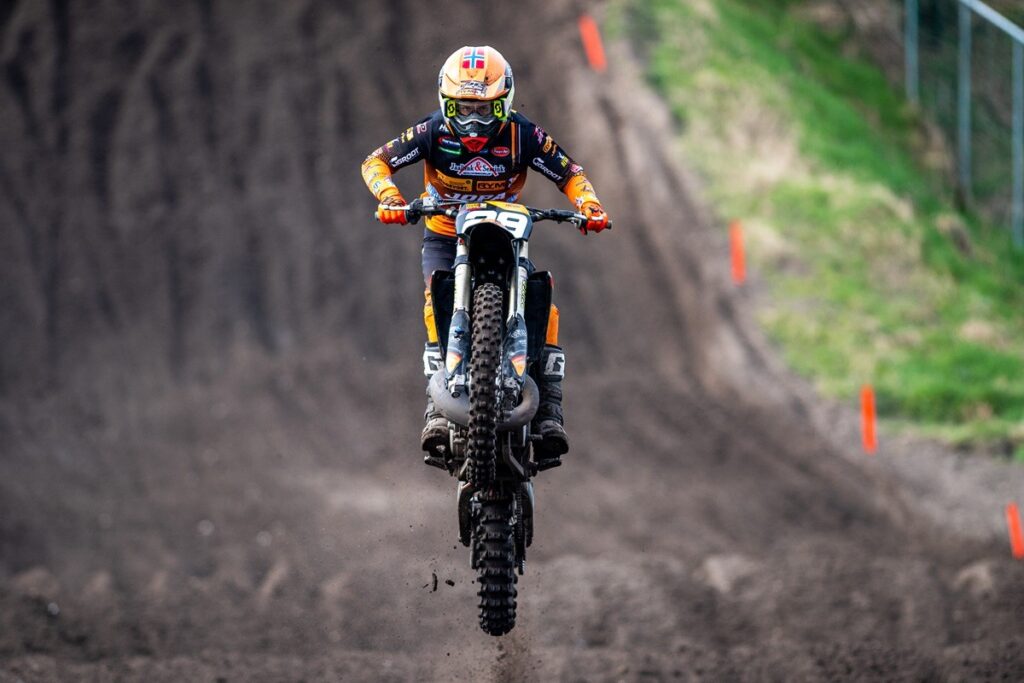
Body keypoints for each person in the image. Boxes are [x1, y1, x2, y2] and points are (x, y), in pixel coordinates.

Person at [360, 45, 610, 468]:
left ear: (504, 105)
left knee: (545, 307)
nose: (472, 121)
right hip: (446, 236)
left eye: (484, 110)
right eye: (462, 109)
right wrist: (390, 197)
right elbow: (376, 162)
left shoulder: (523, 135)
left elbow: (570, 172)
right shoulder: (431, 131)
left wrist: (589, 205)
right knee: (434, 300)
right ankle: (436, 408)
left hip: (505, 235)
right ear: (446, 104)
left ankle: (550, 410)